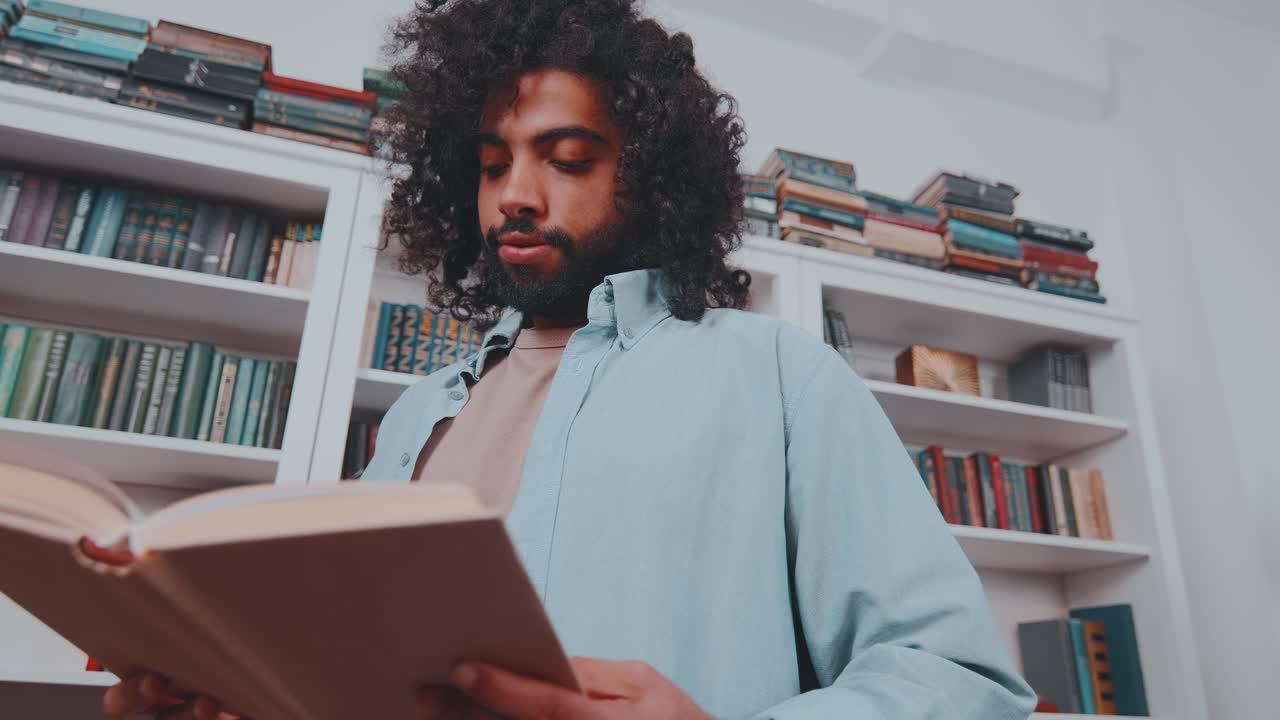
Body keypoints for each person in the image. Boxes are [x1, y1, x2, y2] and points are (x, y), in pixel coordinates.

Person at [104, 1, 1036, 718]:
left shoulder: (780, 377)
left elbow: (958, 679)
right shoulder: (419, 417)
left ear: (651, 175)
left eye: (568, 158)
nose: (514, 195)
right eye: (491, 161)